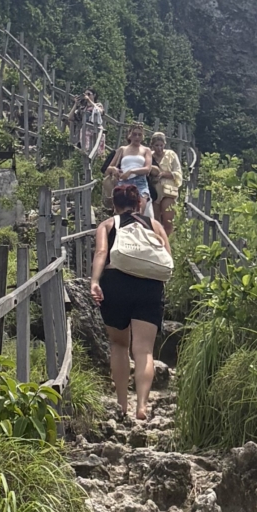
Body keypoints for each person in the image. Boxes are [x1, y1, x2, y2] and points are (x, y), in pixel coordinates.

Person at [88, 179, 172, 422]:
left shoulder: (108, 224)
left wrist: (95, 281)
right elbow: (166, 257)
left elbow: (101, 253)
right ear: (138, 204)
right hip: (150, 285)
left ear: (115, 204)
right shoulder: (154, 225)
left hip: (116, 282)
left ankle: (123, 404)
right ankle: (142, 406)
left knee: (119, 345)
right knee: (144, 350)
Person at [149, 131, 184, 232]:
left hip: (168, 191)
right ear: (152, 145)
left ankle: (167, 242)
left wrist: (163, 174)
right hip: (154, 191)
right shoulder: (149, 156)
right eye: (156, 145)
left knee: (168, 220)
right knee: (155, 221)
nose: (159, 148)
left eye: (161, 145)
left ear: (164, 144)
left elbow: (178, 173)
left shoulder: (171, 155)